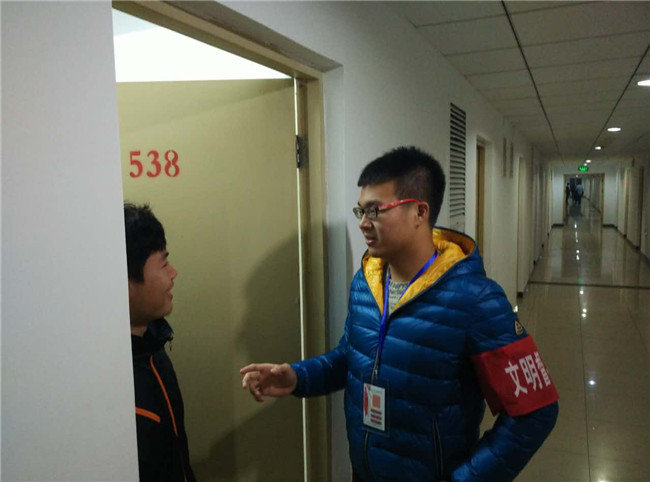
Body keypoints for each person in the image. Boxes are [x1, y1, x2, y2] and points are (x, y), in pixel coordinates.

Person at [240, 147, 558, 481]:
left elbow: (536, 412)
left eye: (375, 211)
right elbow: (351, 357)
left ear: (419, 212)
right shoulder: (365, 283)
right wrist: (297, 377)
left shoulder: (476, 298)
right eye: (360, 211)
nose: (363, 223)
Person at [125, 202, 196, 482]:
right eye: (164, 263)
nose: (173, 272)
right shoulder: (111, 378)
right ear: (125, 282)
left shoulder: (153, 346)